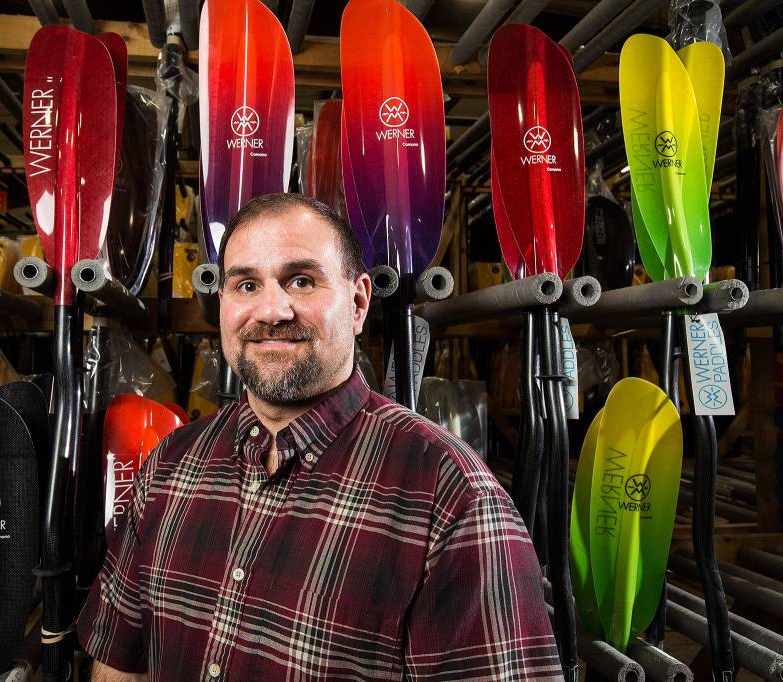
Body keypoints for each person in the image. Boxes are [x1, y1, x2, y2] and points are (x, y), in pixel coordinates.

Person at [78, 193, 560, 680]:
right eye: (246, 284)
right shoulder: (170, 466)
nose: (271, 311)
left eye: (301, 281)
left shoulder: (451, 497)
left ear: (358, 303)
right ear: (222, 303)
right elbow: (121, 661)